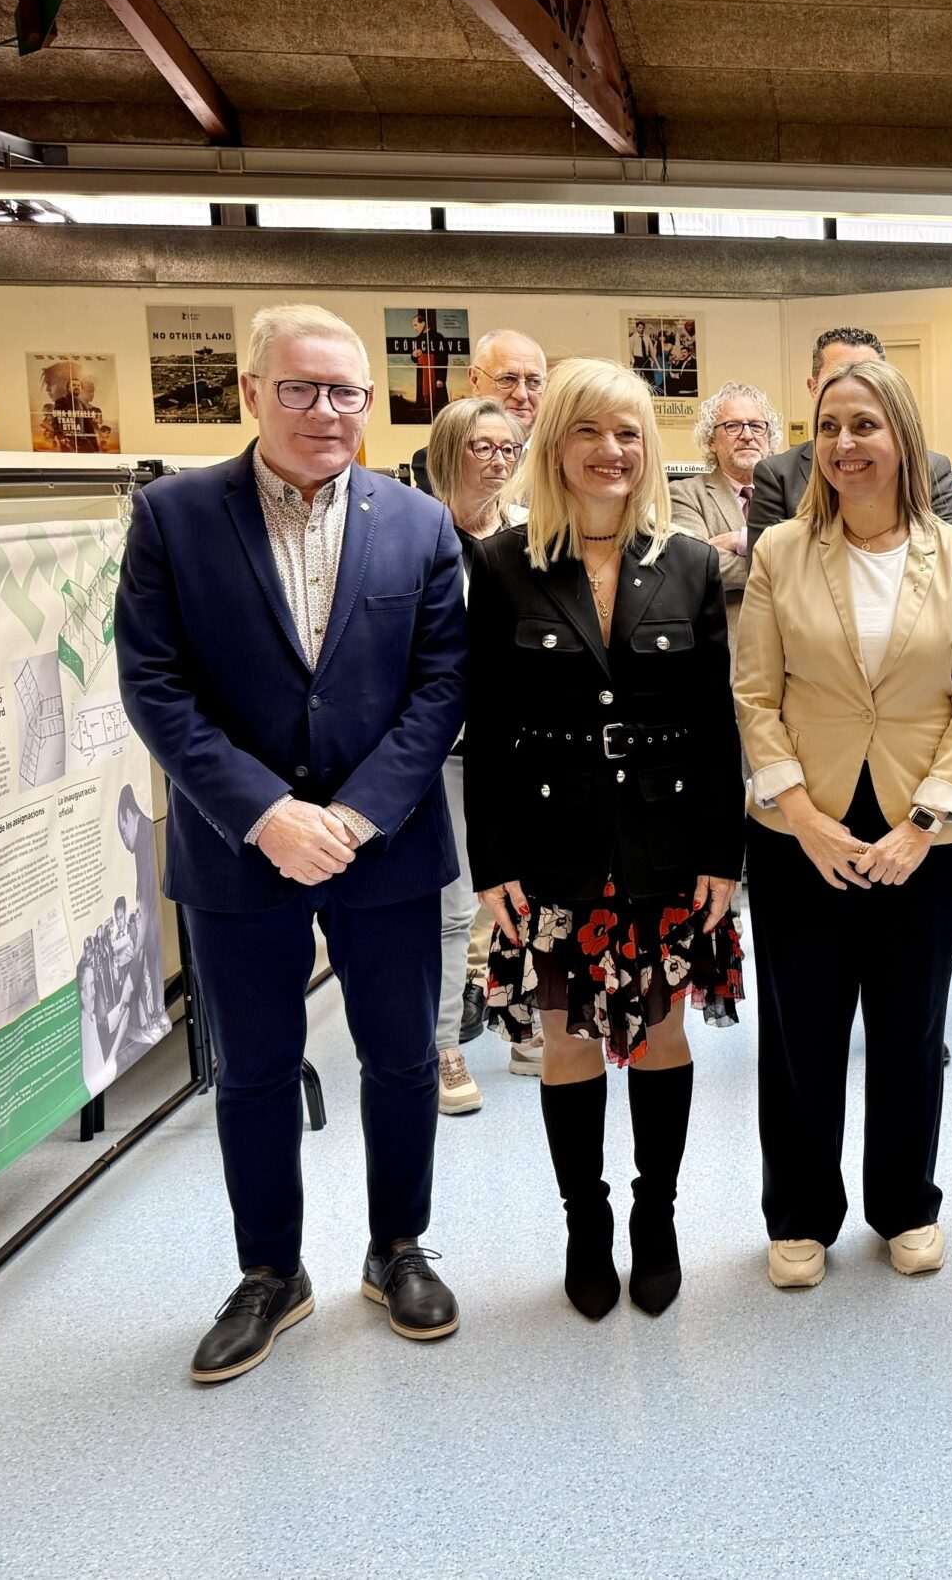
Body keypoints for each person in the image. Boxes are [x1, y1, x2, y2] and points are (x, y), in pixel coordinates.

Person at [116, 304, 466, 1384]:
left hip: (384, 845)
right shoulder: (173, 516)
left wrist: (354, 815)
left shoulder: (420, 524)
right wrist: (266, 813)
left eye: (346, 391)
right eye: (301, 388)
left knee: (402, 1058)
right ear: (252, 392)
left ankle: (397, 1246)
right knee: (257, 1069)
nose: (326, 411)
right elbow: (155, 685)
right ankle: (271, 1272)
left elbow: (441, 688)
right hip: (239, 848)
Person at [464, 357, 742, 1319]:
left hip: (667, 844)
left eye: (627, 432)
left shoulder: (690, 562)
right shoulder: (504, 565)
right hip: (553, 846)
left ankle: (655, 1217)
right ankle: (586, 1221)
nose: (610, 450)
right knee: (567, 1041)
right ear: (555, 444)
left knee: (662, 1033)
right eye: (587, 429)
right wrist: (492, 860)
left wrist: (723, 854)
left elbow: (715, 725)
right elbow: (488, 727)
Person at [737, 359, 952, 1289]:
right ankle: (799, 1212)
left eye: (864, 424)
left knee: (909, 1027)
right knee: (800, 1032)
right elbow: (754, 695)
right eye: (828, 426)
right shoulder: (780, 552)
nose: (844, 443)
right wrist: (802, 816)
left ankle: (906, 1203)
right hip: (800, 831)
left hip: (923, 832)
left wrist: (923, 824)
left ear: (903, 437)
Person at [421, 395, 524, 1114]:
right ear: (447, 452)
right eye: (480, 446)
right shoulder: (418, 533)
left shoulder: (530, 531)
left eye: (507, 448)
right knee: (455, 906)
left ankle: (526, 1024)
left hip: (525, 744)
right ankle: (442, 1047)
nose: (496, 460)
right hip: (451, 747)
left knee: (533, 894)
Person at [745, 327, 952, 550]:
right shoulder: (778, 479)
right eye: (837, 376)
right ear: (814, 388)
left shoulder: (933, 471)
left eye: (865, 425)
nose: (850, 383)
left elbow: (951, 552)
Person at [670, 381, 774, 676]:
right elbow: (695, 569)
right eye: (733, 426)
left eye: (756, 426)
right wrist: (780, 566)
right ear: (711, 441)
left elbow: (812, 562)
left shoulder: (793, 494)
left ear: (768, 438)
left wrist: (741, 541)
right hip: (726, 659)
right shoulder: (684, 494)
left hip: (791, 659)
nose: (747, 435)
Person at [410, 327, 543, 496]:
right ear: (475, 380)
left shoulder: (563, 457)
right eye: (507, 379)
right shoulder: (441, 460)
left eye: (534, 381)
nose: (522, 395)